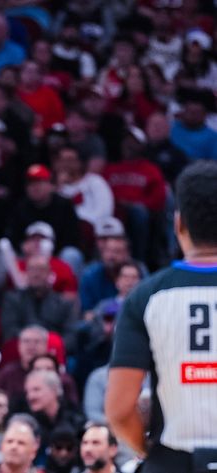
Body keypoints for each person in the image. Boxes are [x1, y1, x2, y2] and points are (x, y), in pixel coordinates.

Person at [107, 161, 217, 471]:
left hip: (175, 460)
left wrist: (150, 452)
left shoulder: (145, 297)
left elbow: (118, 411)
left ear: (179, 224)